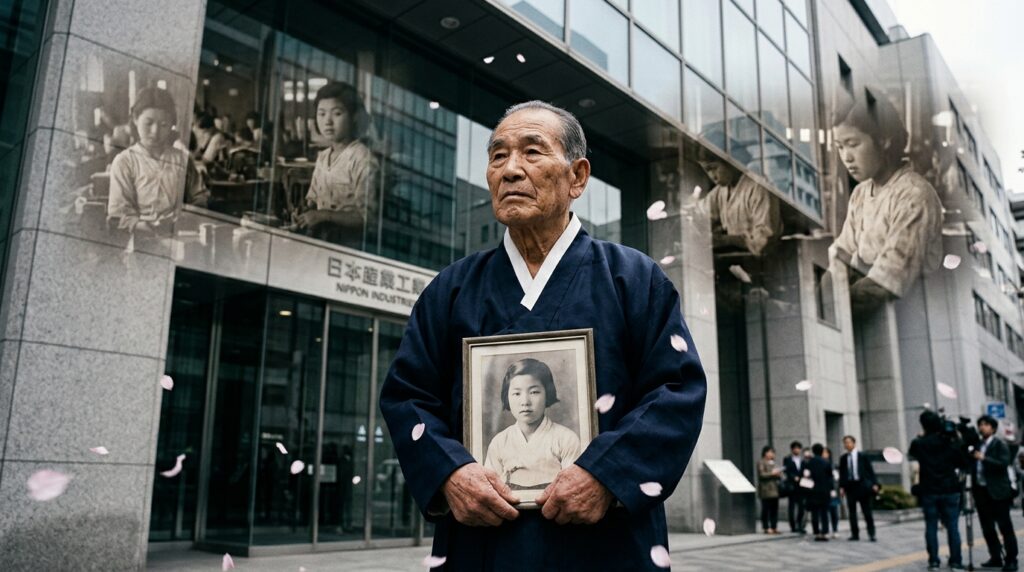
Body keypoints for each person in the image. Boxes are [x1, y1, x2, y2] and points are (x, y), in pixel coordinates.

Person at [379, 101, 707, 569]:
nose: (510, 170)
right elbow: (407, 396)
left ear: (577, 177)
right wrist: (451, 473)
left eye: (532, 152)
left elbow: (677, 391)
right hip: (481, 544)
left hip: (607, 543)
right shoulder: (451, 289)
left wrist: (606, 476)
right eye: (497, 156)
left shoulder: (633, 278)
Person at [831, 95, 943, 306]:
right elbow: (841, 255)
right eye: (840, 147)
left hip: (913, 315)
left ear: (884, 140)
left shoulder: (913, 195)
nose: (846, 157)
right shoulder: (861, 194)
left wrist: (829, 306)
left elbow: (887, 279)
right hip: (868, 310)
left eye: (853, 144)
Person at [107, 87, 208, 234]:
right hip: (140, 241)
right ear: (135, 119)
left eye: (164, 125)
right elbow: (119, 213)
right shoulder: (124, 162)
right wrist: (142, 226)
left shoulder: (182, 159)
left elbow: (199, 198)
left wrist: (186, 216)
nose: (155, 131)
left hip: (180, 235)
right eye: (148, 123)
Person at [294, 81, 379, 248]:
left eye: (337, 113)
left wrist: (324, 215)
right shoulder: (323, 157)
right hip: (320, 241)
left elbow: (367, 217)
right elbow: (313, 200)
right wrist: (303, 212)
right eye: (322, 113)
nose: (327, 122)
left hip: (349, 246)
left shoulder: (363, 159)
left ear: (354, 116)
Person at [484, 358, 582, 492]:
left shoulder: (566, 439)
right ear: (507, 397)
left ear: (547, 394)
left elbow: (574, 489)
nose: (525, 401)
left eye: (534, 392)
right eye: (516, 393)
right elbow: (489, 490)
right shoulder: (499, 443)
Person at [909, 410, 966, 570]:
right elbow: (962, 463)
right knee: (953, 526)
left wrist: (922, 437)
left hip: (929, 489)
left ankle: (933, 560)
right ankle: (956, 561)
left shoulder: (919, 443)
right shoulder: (950, 441)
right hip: (950, 488)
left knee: (931, 526)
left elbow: (912, 455)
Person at [698, 153, 782, 257]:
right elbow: (700, 213)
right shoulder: (719, 192)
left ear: (730, 162)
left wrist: (728, 240)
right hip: (733, 259)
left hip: (762, 263)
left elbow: (764, 240)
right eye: (707, 171)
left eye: (714, 168)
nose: (712, 176)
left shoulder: (759, 187)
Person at [973, 415, 1018, 571]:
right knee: (987, 527)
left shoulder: (1000, 444)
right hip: (981, 491)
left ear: (992, 428)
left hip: (998, 492)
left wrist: (984, 459)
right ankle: (996, 556)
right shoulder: (978, 444)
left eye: (985, 425)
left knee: (1005, 527)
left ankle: (1011, 559)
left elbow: (1003, 464)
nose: (982, 427)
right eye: (980, 425)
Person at [839, 435, 879, 542]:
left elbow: (870, 470)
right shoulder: (843, 458)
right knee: (852, 512)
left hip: (862, 486)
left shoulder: (863, 456)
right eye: (845, 443)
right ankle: (854, 534)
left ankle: (871, 533)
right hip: (850, 487)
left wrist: (874, 484)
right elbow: (842, 474)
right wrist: (842, 487)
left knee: (867, 511)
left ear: (854, 443)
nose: (847, 445)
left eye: (849, 442)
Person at [806, 443, 835, 542]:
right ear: (822, 451)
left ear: (813, 451)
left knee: (815, 513)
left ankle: (816, 532)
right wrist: (832, 489)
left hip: (813, 490)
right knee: (824, 513)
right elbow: (830, 478)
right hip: (825, 490)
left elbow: (806, 476)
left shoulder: (809, 462)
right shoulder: (826, 462)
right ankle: (824, 532)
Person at [757, 445, 782, 534]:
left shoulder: (773, 463)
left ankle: (774, 526)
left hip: (775, 489)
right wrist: (772, 473)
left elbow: (779, 474)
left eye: (773, 453)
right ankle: (766, 527)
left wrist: (779, 474)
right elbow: (762, 474)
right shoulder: (761, 462)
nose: (772, 454)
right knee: (766, 509)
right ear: (765, 453)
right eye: (770, 452)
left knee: (774, 509)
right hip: (766, 489)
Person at [784, 441, 806, 533]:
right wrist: (793, 477)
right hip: (792, 486)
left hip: (801, 486)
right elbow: (786, 471)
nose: (797, 450)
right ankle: (793, 526)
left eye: (798, 448)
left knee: (802, 506)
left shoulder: (803, 460)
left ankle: (800, 525)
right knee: (792, 507)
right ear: (792, 449)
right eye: (795, 448)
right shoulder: (787, 459)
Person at [823, 447, 841, 539]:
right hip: (823, 491)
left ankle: (835, 529)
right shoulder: (820, 464)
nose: (824, 454)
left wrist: (836, 489)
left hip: (833, 491)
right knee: (824, 512)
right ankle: (825, 530)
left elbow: (836, 479)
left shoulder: (833, 465)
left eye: (826, 452)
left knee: (834, 511)